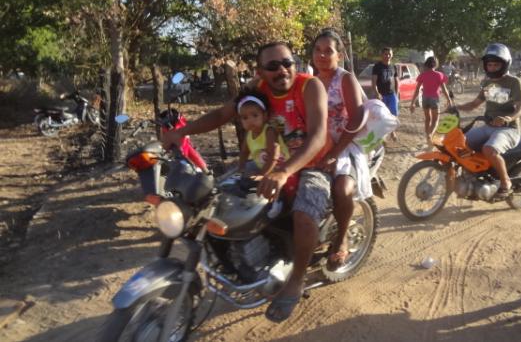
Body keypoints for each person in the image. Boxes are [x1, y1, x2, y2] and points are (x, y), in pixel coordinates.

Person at [161, 41, 330, 323]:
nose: (282, 70)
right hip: (267, 161)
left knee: (303, 214)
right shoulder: (257, 90)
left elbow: (318, 137)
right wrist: (182, 133)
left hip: (312, 163)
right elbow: (221, 114)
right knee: (218, 193)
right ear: (260, 71)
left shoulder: (310, 86)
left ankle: (297, 281)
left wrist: (284, 171)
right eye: (272, 66)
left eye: (287, 62)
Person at [311, 29, 372, 270]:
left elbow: (356, 119)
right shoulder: (310, 80)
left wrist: (335, 152)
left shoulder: (344, 78)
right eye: (317, 50)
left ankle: (342, 238)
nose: (322, 55)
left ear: (339, 55)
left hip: (345, 145)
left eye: (328, 51)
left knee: (342, 187)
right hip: (316, 143)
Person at [455, 43, 521, 199]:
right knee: (460, 142)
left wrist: (508, 118)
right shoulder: (487, 83)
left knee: (489, 149)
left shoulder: (514, 82)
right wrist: (456, 107)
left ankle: (505, 182)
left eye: (496, 64)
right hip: (488, 126)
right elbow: (474, 104)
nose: (492, 67)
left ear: (505, 64)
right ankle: (473, 176)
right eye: (490, 64)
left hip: (508, 129)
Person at [236, 90, 289, 178]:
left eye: (255, 115)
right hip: (264, 167)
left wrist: (262, 175)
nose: (250, 121)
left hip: (280, 168)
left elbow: (273, 155)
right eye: (245, 118)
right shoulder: (248, 135)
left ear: (265, 116)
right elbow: (244, 153)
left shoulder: (269, 131)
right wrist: (240, 169)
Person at [410, 56, 453, 146]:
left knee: (427, 119)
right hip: (434, 99)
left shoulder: (422, 75)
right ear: (435, 64)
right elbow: (444, 89)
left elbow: (417, 90)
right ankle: (430, 135)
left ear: (427, 63)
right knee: (435, 120)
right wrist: (449, 99)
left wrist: (412, 102)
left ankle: (428, 138)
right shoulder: (439, 75)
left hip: (425, 98)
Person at [371, 47, 399, 140]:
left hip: (391, 95)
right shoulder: (377, 67)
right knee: (382, 116)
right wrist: (377, 93)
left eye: (389, 54)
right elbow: (374, 83)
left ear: (392, 55)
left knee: (393, 114)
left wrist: (397, 94)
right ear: (382, 55)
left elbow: (396, 81)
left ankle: (393, 132)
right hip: (381, 96)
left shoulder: (394, 66)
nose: (387, 56)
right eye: (385, 54)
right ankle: (383, 136)